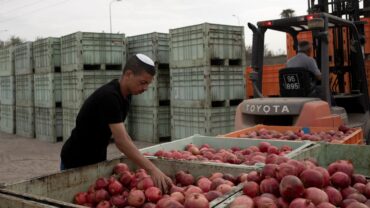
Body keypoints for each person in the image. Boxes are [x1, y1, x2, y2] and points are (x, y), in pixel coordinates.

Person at [60, 54, 172, 192]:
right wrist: (152, 169)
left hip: (96, 161)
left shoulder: (126, 95)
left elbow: (123, 135)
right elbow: (121, 141)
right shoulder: (109, 97)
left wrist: (139, 157)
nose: (145, 88)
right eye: (143, 82)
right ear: (129, 74)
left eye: (148, 84)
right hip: (76, 162)